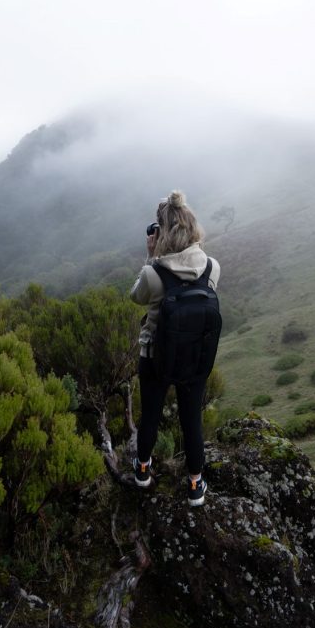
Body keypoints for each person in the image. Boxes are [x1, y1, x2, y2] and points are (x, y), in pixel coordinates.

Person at [129, 190, 221, 506]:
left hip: (155, 357)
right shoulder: (212, 267)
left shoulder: (152, 274)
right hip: (194, 358)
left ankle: (142, 470)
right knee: (191, 419)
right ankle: (196, 485)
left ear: (161, 232)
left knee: (151, 415)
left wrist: (151, 256)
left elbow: (136, 298)